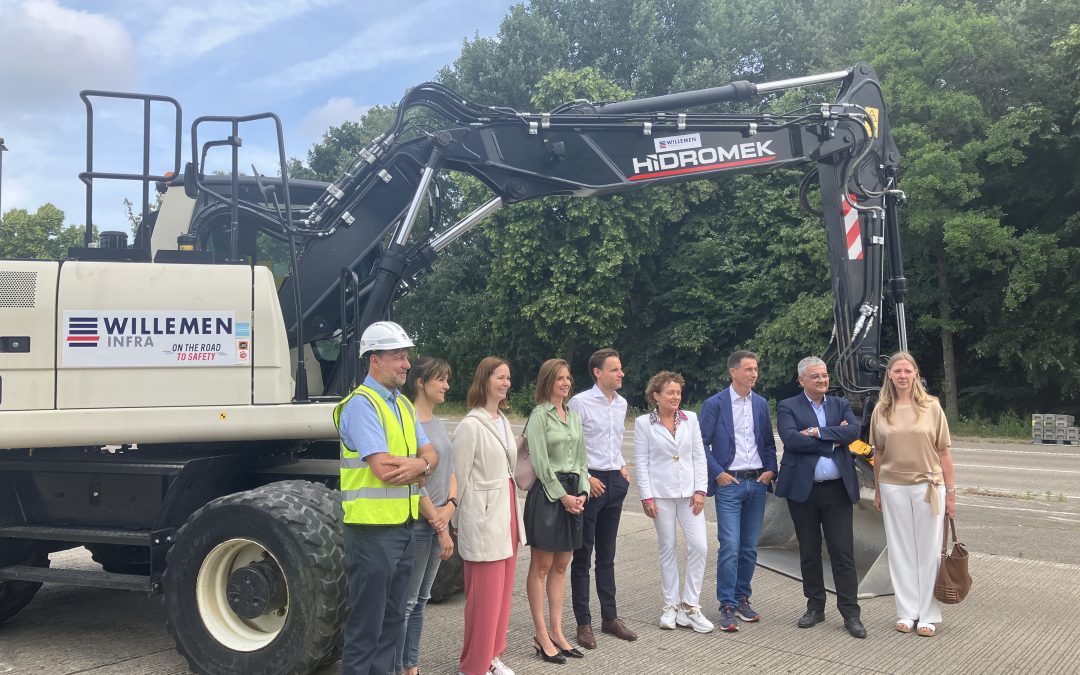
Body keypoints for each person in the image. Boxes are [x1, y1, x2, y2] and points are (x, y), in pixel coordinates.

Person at [333, 321, 440, 675]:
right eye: (398, 356)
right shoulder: (362, 405)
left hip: (403, 528)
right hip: (371, 533)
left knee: (392, 622)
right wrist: (421, 465)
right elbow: (385, 469)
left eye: (406, 356)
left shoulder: (404, 406)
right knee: (367, 628)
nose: (407, 364)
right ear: (373, 360)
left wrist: (420, 464)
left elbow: (432, 456)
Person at [775, 356, 866, 638]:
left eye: (825, 375)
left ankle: (850, 612)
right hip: (803, 492)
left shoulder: (840, 404)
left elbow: (853, 431)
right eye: (816, 376)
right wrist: (832, 440)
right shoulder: (788, 406)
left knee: (842, 553)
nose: (823, 380)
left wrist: (816, 432)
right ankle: (815, 606)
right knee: (810, 551)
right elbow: (791, 440)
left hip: (837, 491)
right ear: (802, 379)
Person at [870, 351, 956, 638]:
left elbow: (944, 452)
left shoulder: (931, 407)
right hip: (893, 486)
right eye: (897, 371)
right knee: (900, 551)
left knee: (928, 551)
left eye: (908, 371)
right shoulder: (881, 409)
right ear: (890, 375)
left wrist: (951, 493)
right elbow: (878, 453)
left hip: (928, 486)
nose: (903, 376)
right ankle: (906, 612)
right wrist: (879, 490)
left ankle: (928, 614)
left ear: (916, 374)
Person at [452, 356, 525, 675]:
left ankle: (493, 655)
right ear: (484, 380)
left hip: (506, 511)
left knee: (502, 593)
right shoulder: (470, 425)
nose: (506, 382)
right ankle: (474, 665)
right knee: (483, 598)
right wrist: (455, 522)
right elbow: (459, 476)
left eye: (508, 377)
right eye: (499, 377)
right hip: (483, 518)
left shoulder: (502, 420)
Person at [700, 349, 777, 632]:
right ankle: (727, 605)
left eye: (756, 369)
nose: (754, 374)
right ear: (733, 371)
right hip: (729, 484)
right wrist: (718, 473)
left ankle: (743, 598)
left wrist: (770, 470)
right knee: (730, 546)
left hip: (757, 482)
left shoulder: (761, 404)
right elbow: (701, 443)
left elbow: (768, 442)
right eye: (748, 369)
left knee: (749, 547)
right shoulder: (715, 404)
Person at [634, 371, 714, 633]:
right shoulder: (644, 423)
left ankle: (690, 604)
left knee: (700, 546)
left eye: (678, 392)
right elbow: (642, 463)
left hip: (690, 494)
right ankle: (671, 605)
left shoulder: (690, 418)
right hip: (661, 494)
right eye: (670, 392)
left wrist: (701, 490)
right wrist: (646, 496)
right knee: (668, 548)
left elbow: (700, 456)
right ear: (656, 395)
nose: (676, 397)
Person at [568, 348, 637, 649]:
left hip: (614, 481)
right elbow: (572, 446)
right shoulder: (580, 403)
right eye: (614, 369)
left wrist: (622, 465)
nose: (621, 374)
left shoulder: (620, 404)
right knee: (582, 555)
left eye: (620, 369)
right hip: (590, 482)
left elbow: (613, 441)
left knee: (607, 555)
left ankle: (610, 617)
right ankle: (583, 622)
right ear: (597, 372)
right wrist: (586, 478)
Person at [524, 358, 591, 664]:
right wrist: (563, 497)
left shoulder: (573, 416)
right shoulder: (540, 415)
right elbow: (539, 463)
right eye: (559, 378)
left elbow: (582, 460)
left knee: (562, 565)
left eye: (568, 377)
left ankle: (557, 631)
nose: (566, 383)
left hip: (573, 494)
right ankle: (540, 634)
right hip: (549, 495)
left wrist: (583, 493)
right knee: (541, 566)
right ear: (547, 381)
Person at [395, 357, 457, 675]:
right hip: (421, 524)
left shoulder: (439, 422)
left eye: (447, 379)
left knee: (422, 599)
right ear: (421, 382)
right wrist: (440, 524)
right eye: (441, 380)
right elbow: (414, 484)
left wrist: (451, 506)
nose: (447, 385)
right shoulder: (408, 422)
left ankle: (412, 666)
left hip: (439, 518)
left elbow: (451, 471)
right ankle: (398, 668)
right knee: (407, 602)